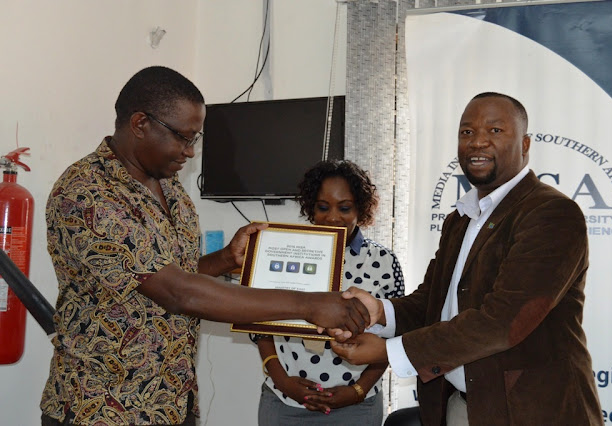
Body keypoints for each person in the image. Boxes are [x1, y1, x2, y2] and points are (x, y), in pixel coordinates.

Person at [39, 66, 370, 426]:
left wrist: (225, 259)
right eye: (183, 137)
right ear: (140, 124)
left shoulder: (171, 189)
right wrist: (308, 304)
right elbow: (178, 292)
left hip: (171, 401)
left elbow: (169, 274)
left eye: (195, 138)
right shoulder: (88, 194)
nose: (190, 152)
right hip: (103, 406)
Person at [331, 92, 604, 425]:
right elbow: (432, 302)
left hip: (532, 413)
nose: (477, 142)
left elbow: (503, 322)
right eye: (467, 132)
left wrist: (391, 351)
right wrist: (379, 311)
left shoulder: (550, 213)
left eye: (495, 130)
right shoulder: (460, 218)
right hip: (462, 406)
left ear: (525, 144)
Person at [255, 160, 405, 425]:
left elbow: (394, 335)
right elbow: (260, 326)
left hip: (357, 407)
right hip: (284, 402)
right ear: (311, 207)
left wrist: (358, 391)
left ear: (360, 208)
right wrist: (283, 382)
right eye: (323, 207)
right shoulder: (285, 251)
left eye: (344, 208)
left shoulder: (383, 261)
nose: (333, 217)